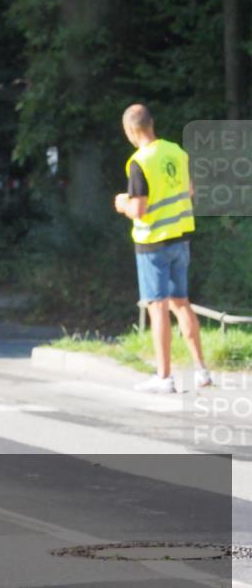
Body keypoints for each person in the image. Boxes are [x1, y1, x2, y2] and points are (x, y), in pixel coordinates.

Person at [114, 103, 212, 393]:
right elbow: (190, 190)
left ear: (130, 130)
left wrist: (123, 204)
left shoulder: (139, 162)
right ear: (151, 123)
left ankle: (164, 377)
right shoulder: (176, 152)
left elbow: (140, 208)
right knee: (181, 303)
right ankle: (202, 371)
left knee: (158, 308)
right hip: (181, 237)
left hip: (153, 243)